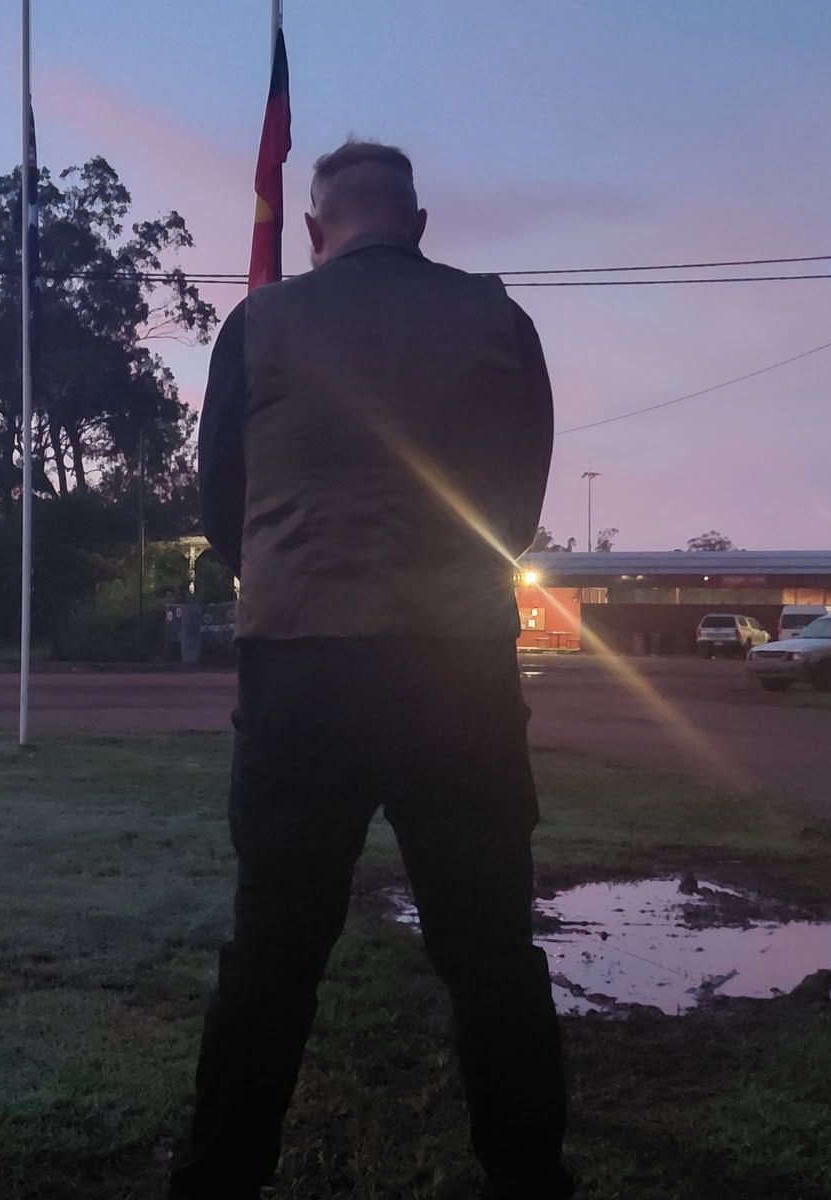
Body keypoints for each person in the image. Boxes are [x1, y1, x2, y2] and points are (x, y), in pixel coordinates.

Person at [171, 142, 571, 1200]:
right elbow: (518, 509)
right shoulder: (498, 321)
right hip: (459, 674)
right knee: (490, 953)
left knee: (271, 952)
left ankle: (216, 1183)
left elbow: (221, 508)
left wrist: (303, 571)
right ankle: (529, 1179)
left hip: (303, 674)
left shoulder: (258, 325)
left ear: (315, 229)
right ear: (419, 223)